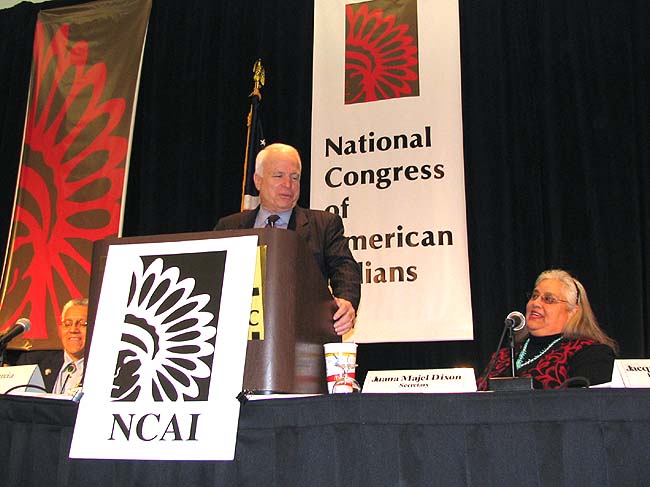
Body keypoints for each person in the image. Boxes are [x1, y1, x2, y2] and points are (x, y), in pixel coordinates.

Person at [214, 143, 361, 335]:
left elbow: (345, 269)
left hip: (303, 336)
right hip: (238, 334)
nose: (288, 185)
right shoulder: (229, 227)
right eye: (278, 175)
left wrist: (346, 301)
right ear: (258, 181)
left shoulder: (324, 225)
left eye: (294, 177)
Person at [478, 269, 617, 389]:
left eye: (549, 299)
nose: (536, 303)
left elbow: (588, 407)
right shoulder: (503, 356)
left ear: (573, 312)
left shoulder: (590, 353)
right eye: (534, 296)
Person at [16, 297, 88, 394]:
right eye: (67, 324)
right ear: (60, 329)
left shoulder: (107, 370)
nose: (73, 330)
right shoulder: (33, 362)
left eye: (83, 324)